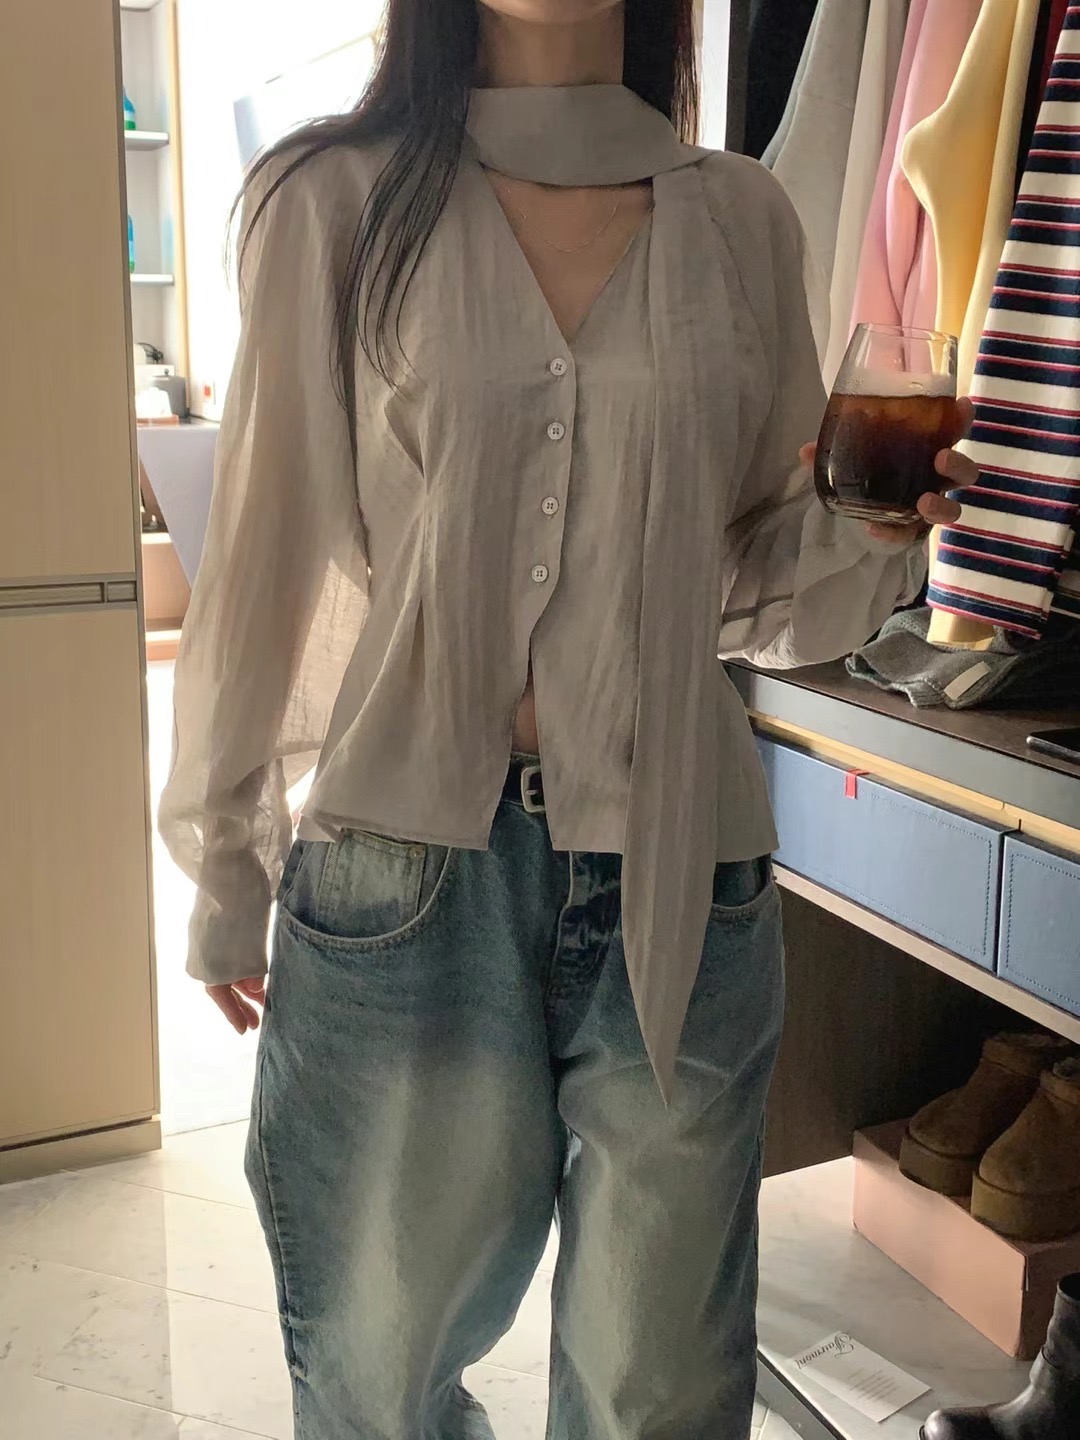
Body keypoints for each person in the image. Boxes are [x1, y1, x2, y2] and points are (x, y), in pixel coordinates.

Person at [160, 2, 977, 1436]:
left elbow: (750, 581)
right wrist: (225, 853)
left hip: (688, 880)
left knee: (657, 1395)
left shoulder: (741, 217)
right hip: (409, 873)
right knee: (376, 1378)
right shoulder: (331, 201)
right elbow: (264, 552)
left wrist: (867, 529)